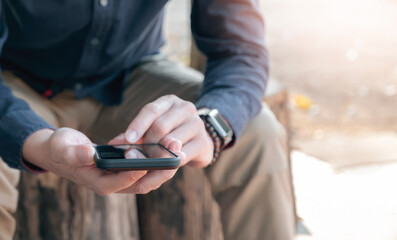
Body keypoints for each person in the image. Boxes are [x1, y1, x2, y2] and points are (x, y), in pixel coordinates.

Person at [0, 0, 295, 239]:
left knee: (258, 131)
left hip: (132, 73)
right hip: (15, 81)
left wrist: (210, 125)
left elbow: (240, 47)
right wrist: (32, 139)